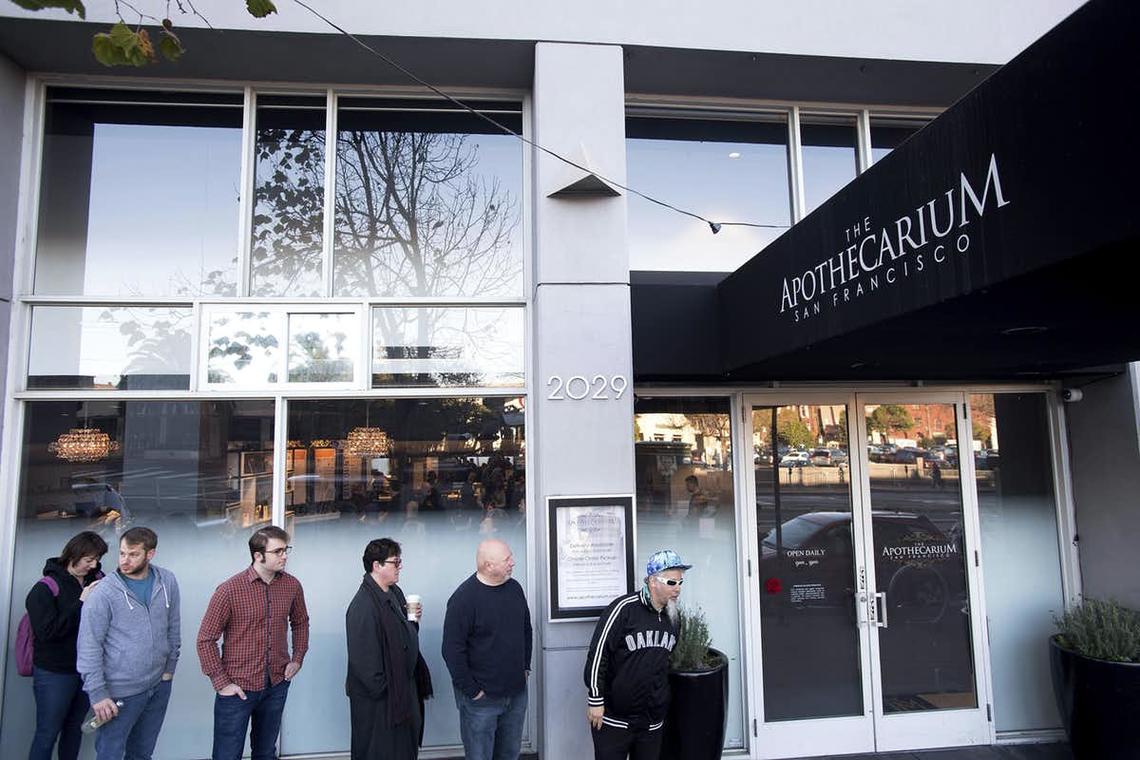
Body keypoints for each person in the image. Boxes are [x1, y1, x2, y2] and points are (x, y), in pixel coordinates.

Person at [196, 526, 309, 760]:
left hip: (276, 683)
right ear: (258, 555)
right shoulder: (229, 590)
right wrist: (221, 683)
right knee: (227, 754)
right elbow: (205, 639)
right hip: (238, 688)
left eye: (286, 550)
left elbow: (301, 623)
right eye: (278, 551)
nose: (284, 556)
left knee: (266, 752)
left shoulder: (292, 586)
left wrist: (297, 658)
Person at [77, 527, 181, 760]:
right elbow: (88, 646)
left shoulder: (167, 581)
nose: (125, 560)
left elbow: (173, 627)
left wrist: (169, 671)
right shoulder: (103, 593)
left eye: (133, 554)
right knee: (110, 753)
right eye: (122, 553)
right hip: (118, 693)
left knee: (142, 753)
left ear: (150, 554)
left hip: (157, 685)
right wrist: (97, 693)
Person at [583, 549, 690, 760]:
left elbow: (665, 661)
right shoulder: (623, 609)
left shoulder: (674, 617)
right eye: (671, 582)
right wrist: (595, 699)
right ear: (652, 581)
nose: (677, 589)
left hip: (652, 720)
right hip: (615, 718)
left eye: (680, 582)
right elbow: (598, 654)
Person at [442, 539, 532, 760]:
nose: (513, 562)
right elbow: (452, 651)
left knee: (509, 754)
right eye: (507, 559)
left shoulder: (514, 588)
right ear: (488, 565)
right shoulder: (463, 599)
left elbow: (526, 629)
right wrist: (473, 691)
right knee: (480, 755)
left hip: (516, 693)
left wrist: (525, 667)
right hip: (482, 700)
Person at [345, 538, 433, 759]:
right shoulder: (362, 606)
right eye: (395, 562)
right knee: (381, 752)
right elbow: (365, 665)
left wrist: (412, 623)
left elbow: (402, 639)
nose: (400, 566)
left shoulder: (394, 593)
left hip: (400, 692)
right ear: (377, 565)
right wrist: (391, 690)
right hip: (382, 703)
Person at [26, 530, 108, 760]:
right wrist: (81, 602)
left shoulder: (98, 580)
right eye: (88, 560)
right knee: (47, 733)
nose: (92, 566)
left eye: (96, 560)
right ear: (74, 554)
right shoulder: (45, 588)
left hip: (86, 671)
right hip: (54, 672)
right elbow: (47, 633)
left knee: (74, 732)